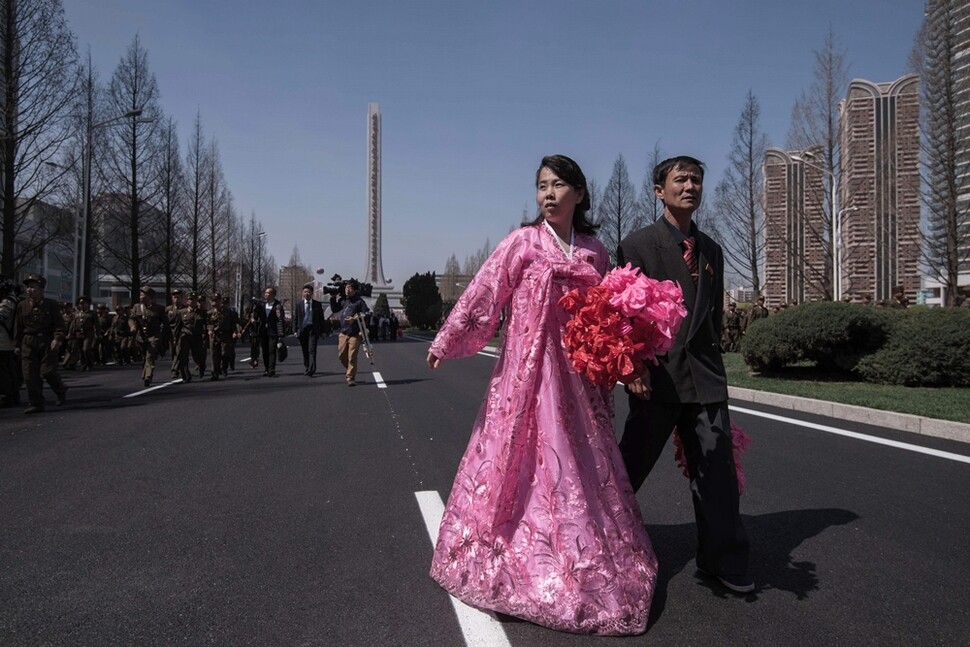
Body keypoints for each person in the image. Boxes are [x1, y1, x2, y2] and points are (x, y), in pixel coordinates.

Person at [425, 155, 656, 635]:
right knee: (521, 455)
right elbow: (485, 293)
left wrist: (624, 358)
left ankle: (580, 549)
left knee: (578, 462)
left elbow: (609, 314)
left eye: (558, 186)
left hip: (579, 377)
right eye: (541, 186)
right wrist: (447, 340)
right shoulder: (522, 243)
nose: (548, 194)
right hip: (527, 375)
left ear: (579, 194)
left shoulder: (594, 250)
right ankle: (510, 543)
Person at [616, 155, 752, 594]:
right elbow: (621, 313)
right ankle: (594, 541)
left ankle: (721, 560)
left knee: (717, 474)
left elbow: (710, 318)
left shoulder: (711, 250)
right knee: (628, 469)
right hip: (659, 378)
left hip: (706, 379)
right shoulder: (637, 245)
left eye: (697, 179)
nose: (690, 185)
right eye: (681, 179)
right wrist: (631, 364)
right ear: (659, 190)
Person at [14, 274, 68, 414]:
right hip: (28, 342)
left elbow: (59, 325)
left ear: (41, 289)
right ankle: (36, 403)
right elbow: (18, 326)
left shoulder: (51, 304)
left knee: (47, 371)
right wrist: (17, 345)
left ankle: (60, 389)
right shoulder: (22, 305)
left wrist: (57, 338)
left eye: (33, 287)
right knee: (29, 375)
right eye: (28, 287)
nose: (29, 290)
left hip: (47, 341)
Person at [129, 285, 171, 387]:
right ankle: (146, 372)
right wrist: (132, 326)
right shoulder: (137, 307)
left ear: (150, 297)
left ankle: (148, 376)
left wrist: (169, 338)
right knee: (144, 357)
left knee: (150, 356)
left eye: (144, 295)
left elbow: (165, 324)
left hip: (154, 336)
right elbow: (132, 319)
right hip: (141, 337)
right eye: (141, 294)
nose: (141, 297)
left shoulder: (159, 309)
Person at [330, 279, 369, 386]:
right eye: (346, 287)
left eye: (350, 288)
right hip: (343, 332)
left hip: (355, 334)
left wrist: (354, 319)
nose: (347, 289)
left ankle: (350, 377)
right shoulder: (344, 300)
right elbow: (334, 309)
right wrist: (333, 298)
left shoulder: (359, 302)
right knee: (342, 355)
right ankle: (351, 369)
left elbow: (366, 314)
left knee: (352, 356)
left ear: (355, 290)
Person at [173, 291, 207, 382]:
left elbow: (207, 324)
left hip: (197, 337)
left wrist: (208, 333)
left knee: (198, 356)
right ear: (187, 301)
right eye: (190, 300)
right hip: (185, 336)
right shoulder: (181, 312)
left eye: (194, 300)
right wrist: (175, 339)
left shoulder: (202, 313)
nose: (193, 302)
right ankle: (186, 376)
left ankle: (201, 368)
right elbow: (178, 326)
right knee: (183, 356)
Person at [207, 292, 241, 380]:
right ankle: (215, 374)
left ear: (220, 301)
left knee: (225, 353)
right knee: (214, 355)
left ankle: (224, 367)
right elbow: (208, 323)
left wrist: (235, 331)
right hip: (214, 336)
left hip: (226, 335)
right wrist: (210, 330)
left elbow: (234, 323)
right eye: (214, 301)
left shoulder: (228, 312)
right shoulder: (210, 313)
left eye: (217, 300)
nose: (216, 303)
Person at [294, 283, 326, 376]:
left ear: (312, 293)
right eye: (305, 292)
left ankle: (312, 369)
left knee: (312, 349)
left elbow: (321, 319)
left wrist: (323, 331)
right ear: (302, 293)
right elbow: (295, 318)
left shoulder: (317, 304)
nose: (306, 294)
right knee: (305, 350)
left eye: (308, 292)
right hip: (302, 329)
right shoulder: (299, 305)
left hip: (313, 329)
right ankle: (307, 366)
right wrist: (295, 330)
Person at [0, 278, 22, 407]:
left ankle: (8, 395)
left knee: (4, 372)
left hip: (4, 342)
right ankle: (12, 395)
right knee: (8, 370)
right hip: (5, 342)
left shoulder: (8, 301)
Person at [257, 286, 285, 377]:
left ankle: (271, 369)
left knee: (271, 350)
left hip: (273, 332)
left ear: (273, 295)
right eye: (265, 293)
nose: (266, 294)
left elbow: (279, 320)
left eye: (268, 293)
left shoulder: (277, 306)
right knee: (264, 350)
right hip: (263, 331)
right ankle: (266, 368)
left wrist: (280, 334)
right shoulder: (262, 305)